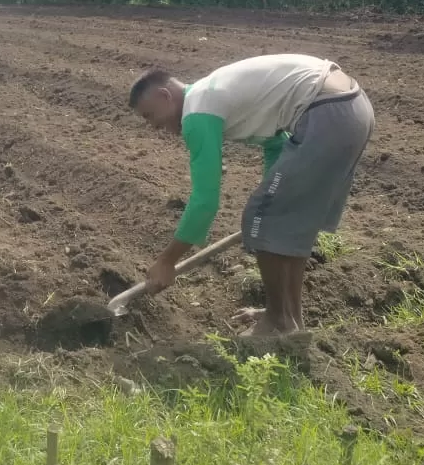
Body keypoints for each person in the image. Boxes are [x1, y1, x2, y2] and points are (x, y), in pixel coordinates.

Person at [128, 54, 375, 335]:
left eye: (149, 116)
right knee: (287, 221)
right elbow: (275, 144)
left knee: (261, 216)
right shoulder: (214, 94)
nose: (152, 126)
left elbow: (204, 201)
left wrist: (167, 261)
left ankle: (276, 322)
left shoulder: (197, 111)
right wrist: (274, 194)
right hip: (352, 109)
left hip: (327, 114)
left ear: (165, 96)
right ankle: (290, 320)